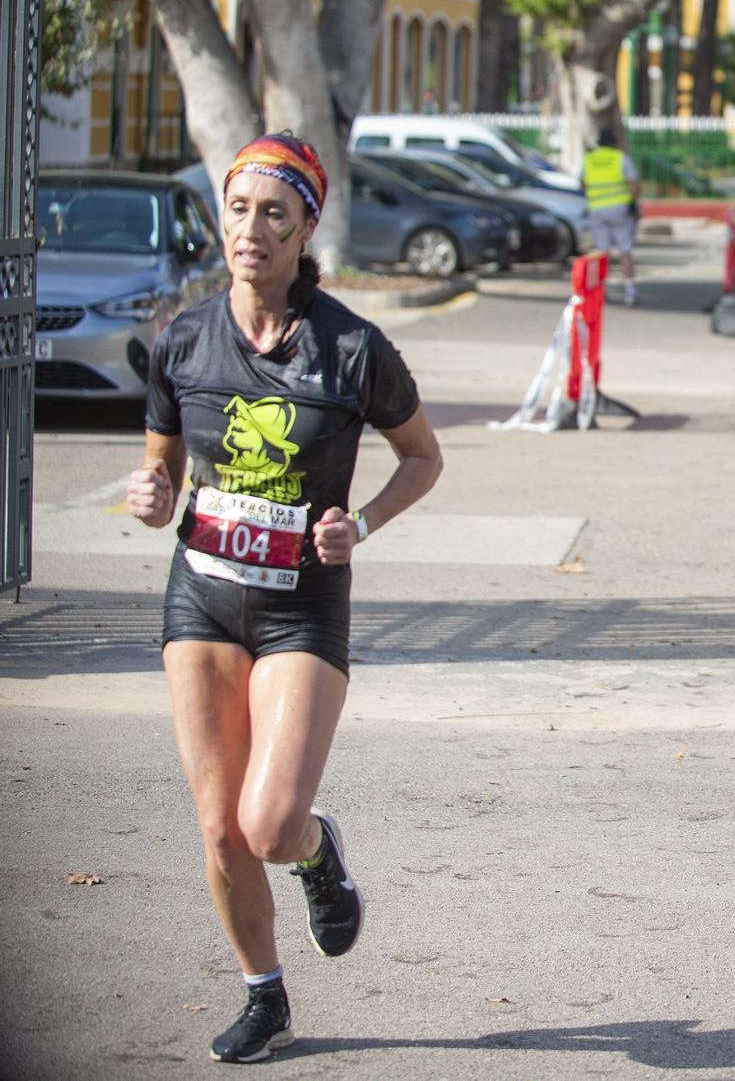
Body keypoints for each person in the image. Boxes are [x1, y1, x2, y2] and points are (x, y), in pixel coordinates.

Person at [128, 133, 443, 1064]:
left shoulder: (353, 347)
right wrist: (149, 496)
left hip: (302, 606)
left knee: (269, 824)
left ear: (308, 226)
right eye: (238, 210)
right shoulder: (182, 336)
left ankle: (315, 851)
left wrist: (365, 523)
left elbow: (422, 456)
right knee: (220, 826)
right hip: (203, 599)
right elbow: (159, 470)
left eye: (275, 213)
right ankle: (264, 994)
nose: (252, 230)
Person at [583, 127, 640, 305]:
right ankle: (630, 290)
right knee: (625, 250)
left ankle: (600, 290)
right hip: (620, 209)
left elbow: (583, 183)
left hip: (597, 209)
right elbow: (634, 185)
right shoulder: (620, 158)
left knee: (601, 252)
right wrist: (633, 203)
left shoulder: (589, 159)